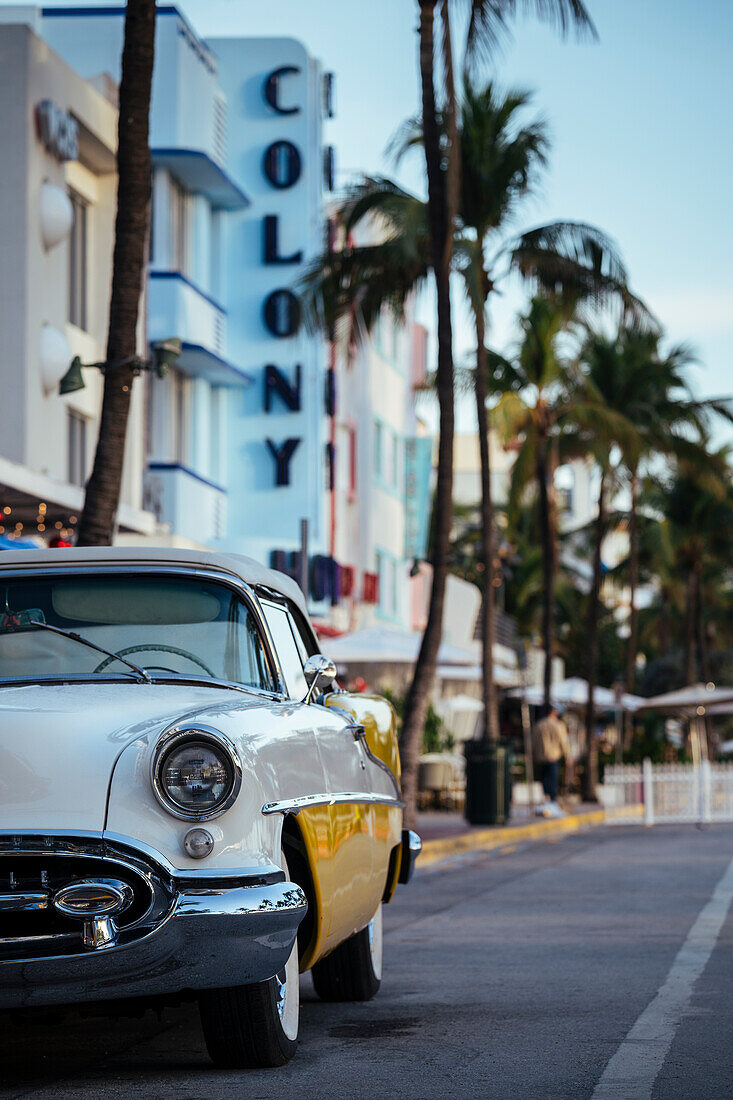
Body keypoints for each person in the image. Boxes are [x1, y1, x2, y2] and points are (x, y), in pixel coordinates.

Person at [532, 704, 571, 816]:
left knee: (544, 779)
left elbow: (533, 742)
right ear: (554, 712)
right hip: (554, 756)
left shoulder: (539, 725)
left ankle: (547, 799)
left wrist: (533, 754)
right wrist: (567, 756)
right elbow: (563, 741)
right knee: (552, 779)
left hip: (541, 756)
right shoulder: (558, 725)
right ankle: (552, 802)